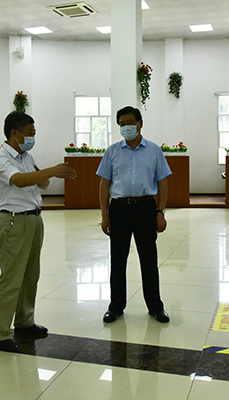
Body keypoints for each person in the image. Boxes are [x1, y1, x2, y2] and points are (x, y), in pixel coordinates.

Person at [0, 111, 76, 353]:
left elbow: (40, 182)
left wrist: (43, 176)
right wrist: (50, 171)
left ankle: (25, 322)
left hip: (34, 219)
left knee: (30, 275)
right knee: (11, 277)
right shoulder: (0, 158)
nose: (32, 138)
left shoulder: (26, 156)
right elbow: (18, 180)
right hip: (14, 221)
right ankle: (0, 333)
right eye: (30, 133)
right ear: (14, 133)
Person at [97, 106, 172, 324]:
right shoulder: (112, 151)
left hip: (145, 208)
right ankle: (115, 306)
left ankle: (155, 307)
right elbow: (104, 184)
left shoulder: (154, 151)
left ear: (140, 124)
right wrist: (104, 214)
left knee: (149, 258)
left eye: (129, 122)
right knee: (118, 259)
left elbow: (162, 183)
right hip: (119, 209)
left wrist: (161, 212)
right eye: (121, 124)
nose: (126, 127)